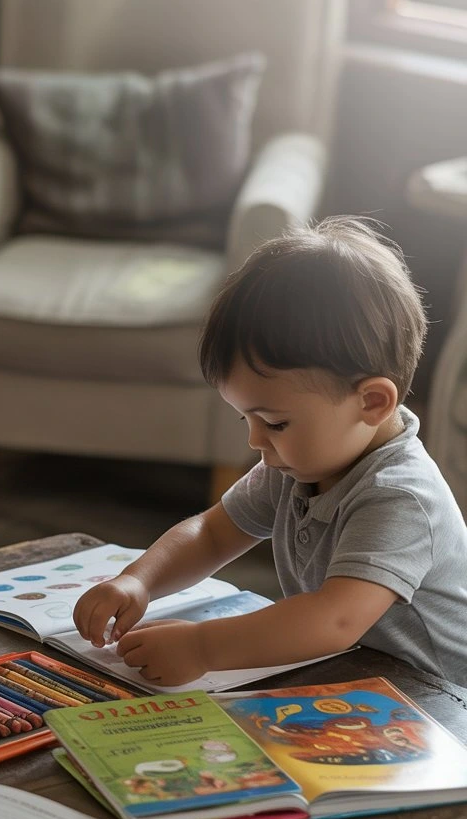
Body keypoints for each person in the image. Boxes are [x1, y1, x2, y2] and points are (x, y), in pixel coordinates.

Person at [73, 216, 467, 686]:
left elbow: (335, 620)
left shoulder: (399, 496)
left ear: (372, 402)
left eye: (275, 422)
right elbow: (212, 534)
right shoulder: (300, 463)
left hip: (441, 702)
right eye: (248, 419)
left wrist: (203, 646)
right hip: (356, 676)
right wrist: (139, 581)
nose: (256, 441)